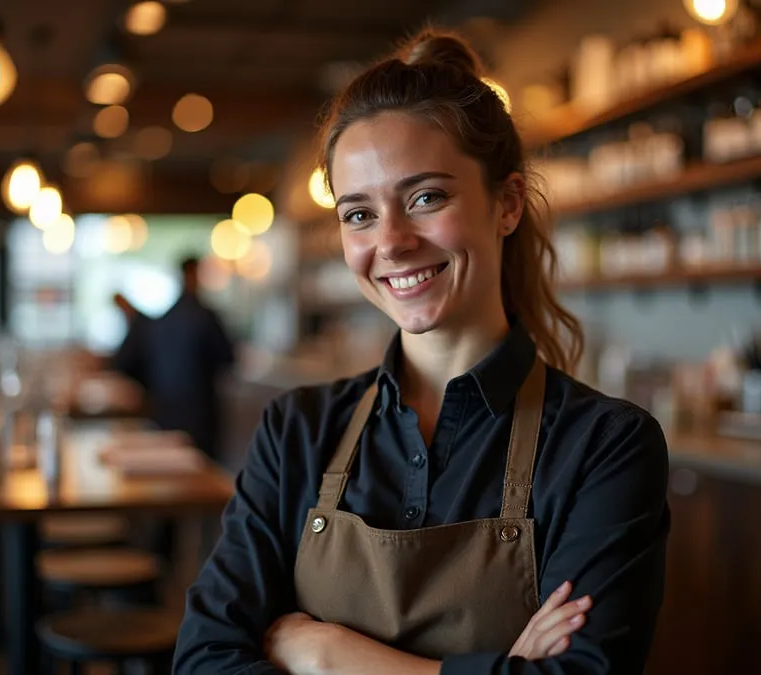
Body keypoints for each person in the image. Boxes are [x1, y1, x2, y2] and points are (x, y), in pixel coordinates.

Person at [173, 29, 669, 675]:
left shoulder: (605, 446)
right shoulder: (296, 430)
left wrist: (326, 653)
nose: (392, 242)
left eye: (425, 197)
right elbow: (205, 658)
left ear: (508, 203)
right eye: (359, 214)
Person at [111, 257, 236, 460]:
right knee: (203, 473)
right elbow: (227, 359)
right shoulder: (206, 317)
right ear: (196, 275)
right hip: (200, 410)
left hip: (164, 409)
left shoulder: (164, 318)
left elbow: (137, 362)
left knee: (171, 468)